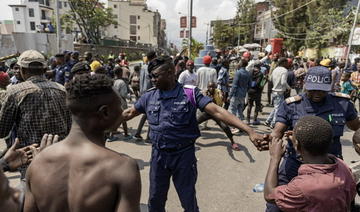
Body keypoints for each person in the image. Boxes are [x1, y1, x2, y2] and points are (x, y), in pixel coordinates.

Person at [122, 56, 267, 212]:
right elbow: (129, 112)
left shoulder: (189, 93)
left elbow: (217, 111)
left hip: (183, 157)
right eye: (151, 76)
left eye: (156, 75)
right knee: (155, 201)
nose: (152, 79)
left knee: (188, 201)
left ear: (170, 72)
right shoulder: (149, 96)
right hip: (158, 157)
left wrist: (250, 131)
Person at [24, 74, 141, 212]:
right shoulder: (122, 167)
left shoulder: (37, 164)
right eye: (119, 105)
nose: (122, 111)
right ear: (105, 112)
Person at [266, 66, 360, 212]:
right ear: (305, 84)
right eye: (313, 89)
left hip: (330, 171)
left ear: (330, 86)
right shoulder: (292, 105)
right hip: (294, 166)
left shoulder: (342, 104)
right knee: (275, 207)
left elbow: (356, 127)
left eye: (322, 90)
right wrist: (269, 140)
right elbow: (277, 132)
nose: (317, 93)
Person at [0, 50, 72, 179]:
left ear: (23, 70)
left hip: (30, 160)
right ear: (45, 69)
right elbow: (70, 126)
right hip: (61, 158)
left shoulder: (14, 91)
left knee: (32, 196)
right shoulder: (62, 90)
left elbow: (2, 130)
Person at [264, 116, 356, 212]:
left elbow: (269, 195)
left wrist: (274, 158)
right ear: (330, 142)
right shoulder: (342, 166)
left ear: (298, 145)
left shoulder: (302, 186)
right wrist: (299, 143)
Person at [197, 82, 240, 151]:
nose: (211, 88)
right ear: (207, 87)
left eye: (212, 87)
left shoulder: (218, 92)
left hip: (216, 114)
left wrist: (222, 97)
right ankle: (188, 140)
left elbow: (222, 100)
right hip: (207, 113)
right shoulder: (204, 93)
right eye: (209, 87)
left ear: (215, 87)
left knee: (225, 127)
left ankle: (233, 142)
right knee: (194, 123)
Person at [133, 51, 157, 142]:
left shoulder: (143, 67)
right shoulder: (152, 67)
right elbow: (153, 82)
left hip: (143, 92)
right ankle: (148, 137)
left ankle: (138, 133)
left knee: (146, 114)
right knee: (151, 114)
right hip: (150, 93)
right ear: (154, 57)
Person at [265, 57, 290, 128]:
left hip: (274, 91)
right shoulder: (284, 70)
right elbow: (283, 82)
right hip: (280, 92)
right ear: (283, 63)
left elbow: (271, 78)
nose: (287, 64)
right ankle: (273, 123)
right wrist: (288, 88)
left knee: (276, 107)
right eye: (286, 63)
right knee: (278, 109)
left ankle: (268, 120)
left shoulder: (275, 69)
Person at [113, 66, 132, 141]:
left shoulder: (114, 81)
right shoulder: (122, 82)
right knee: (123, 118)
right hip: (122, 102)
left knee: (117, 118)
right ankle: (126, 134)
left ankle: (111, 134)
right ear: (121, 73)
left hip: (115, 102)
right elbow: (124, 94)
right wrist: (129, 96)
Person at [228, 59, 250, 123]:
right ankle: (240, 126)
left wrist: (230, 96)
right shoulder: (248, 73)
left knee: (232, 111)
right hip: (243, 95)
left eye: (239, 63)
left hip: (236, 94)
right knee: (240, 111)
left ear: (241, 64)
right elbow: (250, 85)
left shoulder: (238, 73)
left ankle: (234, 126)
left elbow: (234, 85)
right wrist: (244, 91)